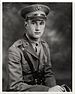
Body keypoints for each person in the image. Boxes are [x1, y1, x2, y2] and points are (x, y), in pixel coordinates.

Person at [8, 4, 69, 92]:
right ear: (26, 24)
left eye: (41, 23)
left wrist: (55, 89)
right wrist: (47, 90)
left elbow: (48, 74)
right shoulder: (15, 50)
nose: (38, 28)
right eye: (33, 23)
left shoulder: (44, 46)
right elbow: (15, 86)